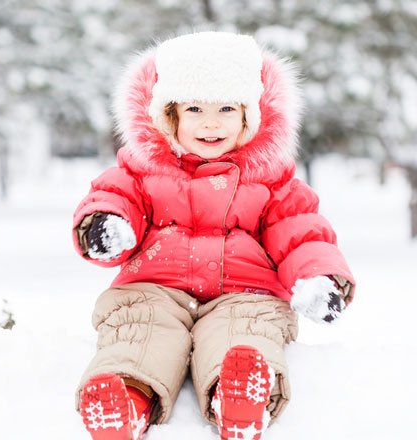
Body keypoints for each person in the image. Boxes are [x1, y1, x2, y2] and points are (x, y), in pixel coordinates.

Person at [71, 31, 355, 440]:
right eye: (194, 108)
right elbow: (116, 198)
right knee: (139, 326)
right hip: (155, 286)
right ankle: (124, 398)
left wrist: (318, 279)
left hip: (244, 292)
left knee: (247, 329)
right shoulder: (142, 170)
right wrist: (106, 227)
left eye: (226, 107)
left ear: (249, 116)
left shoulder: (271, 179)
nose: (210, 121)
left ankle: (239, 395)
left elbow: (300, 232)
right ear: (170, 115)